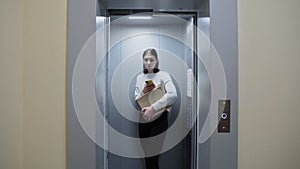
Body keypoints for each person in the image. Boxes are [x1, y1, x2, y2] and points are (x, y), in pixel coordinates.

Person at [135, 48, 177, 169]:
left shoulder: (164, 75)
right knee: (147, 156)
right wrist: (143, 92)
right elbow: (136, 97)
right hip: (143, 118)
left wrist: (153, 108)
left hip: (159, 118)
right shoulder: (140, 78)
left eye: (151, 60)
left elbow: (173, 95)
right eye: (146, 60)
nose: (148, 62)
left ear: (157, 60)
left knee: (153, 156)